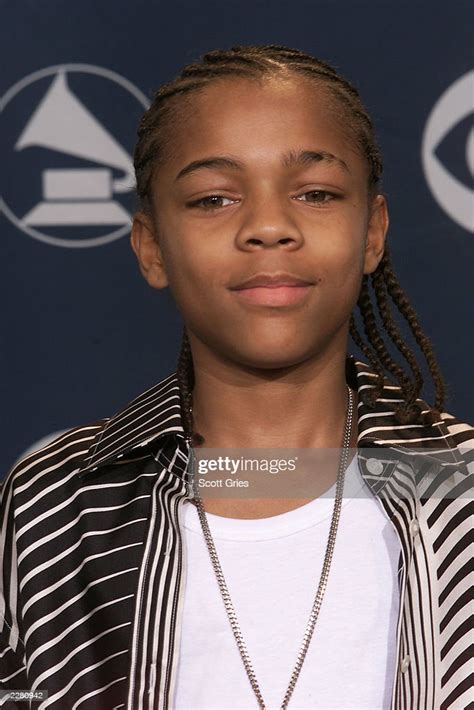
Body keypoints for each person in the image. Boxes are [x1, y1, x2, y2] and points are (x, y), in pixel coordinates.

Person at [1, 45, 472, 710]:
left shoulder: (465, 485)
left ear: (373, 233)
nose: (269, 227)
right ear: (151, 246)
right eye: (213, 198)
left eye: (315, 193)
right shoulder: (52, 505)